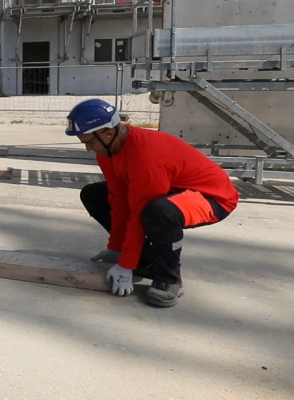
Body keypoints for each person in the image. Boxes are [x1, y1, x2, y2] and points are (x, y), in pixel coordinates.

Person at [65, 98, 238, 308]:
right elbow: (118, 200)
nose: (88, 149)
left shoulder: (146, 156)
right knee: (93, 194)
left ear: (107, 133)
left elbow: (138, 211)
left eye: (89, 142)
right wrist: (117, 248)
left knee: (159, 211)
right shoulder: (107, 152)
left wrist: (126, 264)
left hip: (212, 198)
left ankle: (169, 279)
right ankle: (146, 262)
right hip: (171, 190)